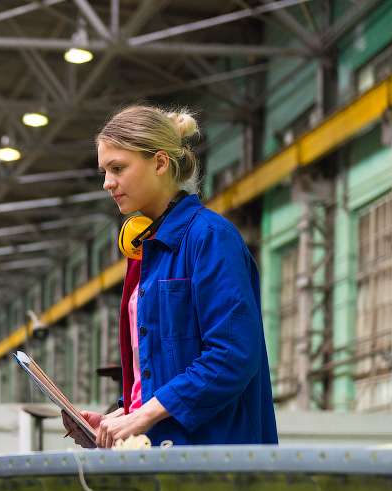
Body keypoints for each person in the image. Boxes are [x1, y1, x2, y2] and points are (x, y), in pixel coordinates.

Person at [64, 105, 278, 449]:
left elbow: (232, 354)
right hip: (165, 456)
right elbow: (160, 367)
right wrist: (122, 414)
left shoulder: (209, 238)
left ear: (161, 163)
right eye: (104, 171)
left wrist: (144, 415)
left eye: (118, 168)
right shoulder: (147, 251)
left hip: (216, 461)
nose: (107, 183)